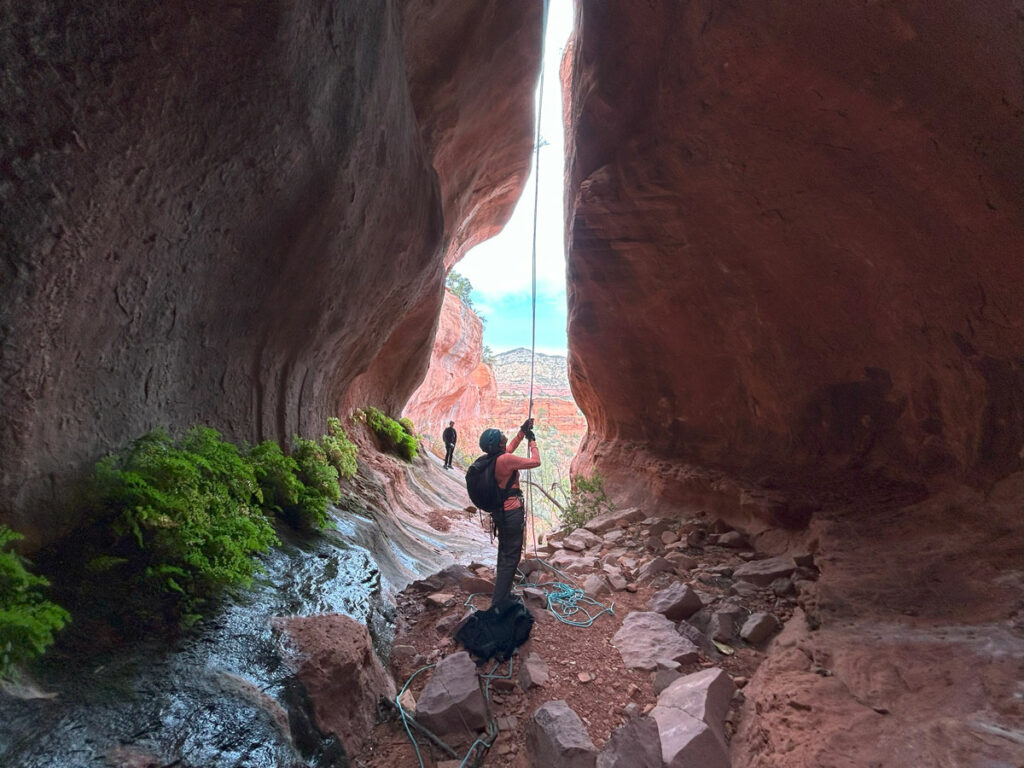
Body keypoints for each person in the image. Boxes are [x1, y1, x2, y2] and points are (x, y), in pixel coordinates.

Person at [478, 418, 540, 606]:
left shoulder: (493, 458)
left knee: (504, 552)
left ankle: (502, 594)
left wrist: (522, 432)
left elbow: (510, 447)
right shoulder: (505, 459)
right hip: (511, 513)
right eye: (501, 436)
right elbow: (535, 462)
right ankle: (500, 602)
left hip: (500, 513)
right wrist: (532, 441)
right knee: (511, 557)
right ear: (498, 443)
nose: (505, 436)